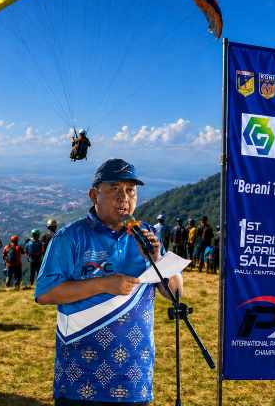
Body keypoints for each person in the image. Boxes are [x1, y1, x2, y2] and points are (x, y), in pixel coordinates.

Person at [36, 158, 182, 405]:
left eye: (130, 190)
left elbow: (175, 293)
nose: (124, 197)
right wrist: (104, 284)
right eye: (115, 189)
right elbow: (45, 293)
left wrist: (157, 258)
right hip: (79, 379)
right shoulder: (70, 237)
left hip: (134, 378)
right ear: (94, 195)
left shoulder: (147, 235)